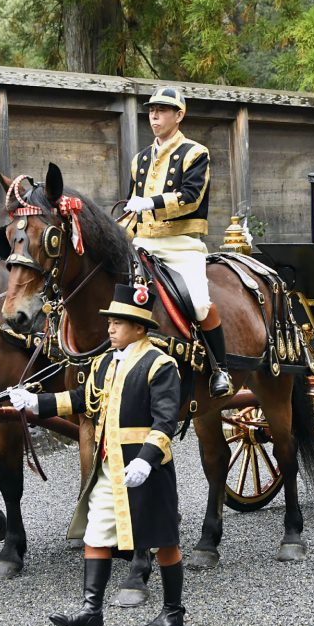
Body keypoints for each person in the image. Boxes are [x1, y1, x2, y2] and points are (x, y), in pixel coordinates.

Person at [10, 283, 185, 626]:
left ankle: (173, 612)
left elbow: (166, 420)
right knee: (96, 533)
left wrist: (147, 459)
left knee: (162, 538)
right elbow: (80, 398)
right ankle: (91, 612)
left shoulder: (160, 364)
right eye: (110, 322)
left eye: (118, 322)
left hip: (146, 469)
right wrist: (34, 402)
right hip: (109, 468)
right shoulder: (103, 362)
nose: (110, 328)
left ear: (138, 327)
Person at [122, 86, 233, 398]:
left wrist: (151, 202)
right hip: (142, 242)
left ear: (179, 115)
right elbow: (132, 207)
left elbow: (190, 197)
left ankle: (220, 368)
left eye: (162, 110)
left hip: (181, 244)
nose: (154, 115)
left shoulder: (196, 153)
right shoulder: (139, 159)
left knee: (199, 303)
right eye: (151, 110)